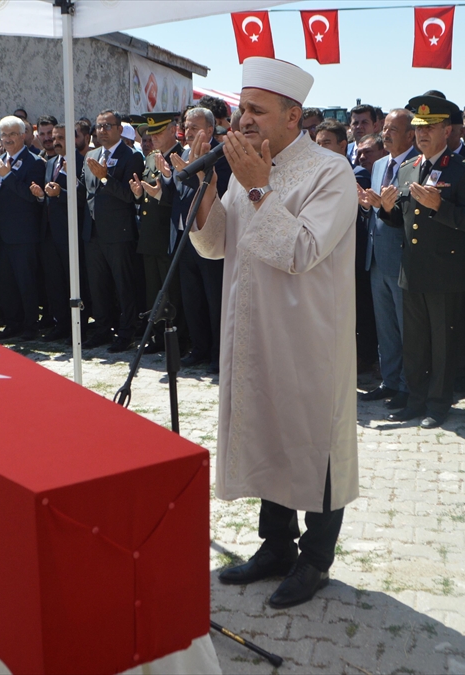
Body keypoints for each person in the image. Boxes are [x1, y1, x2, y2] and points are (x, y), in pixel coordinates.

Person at [195, 57, 358, 609]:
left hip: (308, 337)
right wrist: (207, 192)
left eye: (257, 111)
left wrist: (259, 188)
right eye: (242, 109)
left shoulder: (329, 171)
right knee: (265, 428)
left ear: (295, 117)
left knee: (315, 441)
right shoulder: (248, 168)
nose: (243, 120)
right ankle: (276, 546)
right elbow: (218, 245)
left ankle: (315, 559)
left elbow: (302, 250)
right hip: (252, 329)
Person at [363, 97, 465, 428]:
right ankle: (415, 400)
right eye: (418, 128)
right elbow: (400, 222)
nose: (422, 134)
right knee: (415, 343)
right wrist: (384, 208)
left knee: (442, 345)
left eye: (429, 128)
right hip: (411, 270)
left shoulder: (464, 171)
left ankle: (438, 404)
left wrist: (440, 207)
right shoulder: (408, 168)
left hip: (445, 273)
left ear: (447, 130)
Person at [357, 109, 418, 410]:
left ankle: (408, 385)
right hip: (376, 257)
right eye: (386, 129)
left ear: (410, 134)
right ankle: (389, 381)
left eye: (394, 129)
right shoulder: (380, 164)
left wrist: (387, 208)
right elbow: (378, 209)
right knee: (386, 328)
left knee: (407, 328)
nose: (386, 134)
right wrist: (368, 205)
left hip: (403, 259)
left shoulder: (418, 163)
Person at [167, 107, 231, 373]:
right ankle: (200, 349)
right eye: (187, 126)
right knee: (192, 298)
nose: (189, 131)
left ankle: (219, 354)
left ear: (210, 128)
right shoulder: (182, 153)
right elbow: (176, 192)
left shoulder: (221, 155)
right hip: (184, 236)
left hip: (210, 237)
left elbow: (219, 193)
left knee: (214, 298)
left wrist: (194, 176)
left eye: (195, 127)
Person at [82, 110, 145, 352]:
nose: (103, 130)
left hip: (119, 234)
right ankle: (101, 330)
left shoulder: (131, 156)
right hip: (93, 233)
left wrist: (106, 178)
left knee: (124, 286)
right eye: (99, 126)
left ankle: (127, 332)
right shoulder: (92, 155)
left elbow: (130, 196)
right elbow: (86, 191)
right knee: (98, 286)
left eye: (108, 126)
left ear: (120, 129)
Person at [318, 119, 377, 375]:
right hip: (326, 254)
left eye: (327, 143)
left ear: (343, 145)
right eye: (318, 143)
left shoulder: (357, 174)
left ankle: (364, 359)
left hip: (353, 254)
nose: (321, 148)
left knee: (359, 310)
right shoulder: (319, 175)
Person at [127, 112, 184, 353]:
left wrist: (159, 195)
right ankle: (158, 338)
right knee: (154, 291)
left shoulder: (183, 157)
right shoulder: (151, 159)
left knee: (172, 292)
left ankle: (178, 340)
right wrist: (139, 195)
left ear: (173, 130)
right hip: (150, 235)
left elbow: (182, 198)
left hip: (169, 235)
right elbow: (149, 195)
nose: (154, 137)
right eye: (152, 133)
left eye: (159, 132)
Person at [0, 116, 46, 340]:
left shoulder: (34, 162)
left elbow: (30, 197)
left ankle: (31, 325)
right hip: (1, 232)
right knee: (6, 282)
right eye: (4, 135)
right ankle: (12, 323)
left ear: (23, 135)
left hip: (23, 233)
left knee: (26, 281)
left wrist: (8, 176)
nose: (8, 139)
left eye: (13, 134)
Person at [34, 124, 88, 341]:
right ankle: (61, 324)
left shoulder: (82, 162)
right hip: (49, 232)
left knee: (75, 281)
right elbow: (49, 195)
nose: (56, 142)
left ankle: (81, 327)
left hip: (71, 233)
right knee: (55, 282)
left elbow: (84, 197)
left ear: (74, 139)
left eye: (61, 138)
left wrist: (61, 193)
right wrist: (41, 195)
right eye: (54, 138)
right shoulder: (50, 163)